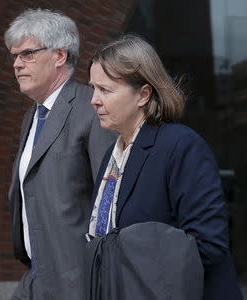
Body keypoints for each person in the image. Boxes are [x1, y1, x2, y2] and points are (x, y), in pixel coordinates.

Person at [87, 35, 242, 300]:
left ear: (143, 95)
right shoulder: (111, 157)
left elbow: (208, 244)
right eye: (93, 88)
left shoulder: (181, 146)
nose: (94, 100)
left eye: (106, 90)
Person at [4, 8, 116, 300]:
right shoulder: (33, 115)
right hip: (36, 274)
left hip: (78, 280)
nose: (16, 64)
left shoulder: (91, 110)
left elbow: (111, 201)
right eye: (14, 56)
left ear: (60, 56)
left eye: (27, 54)